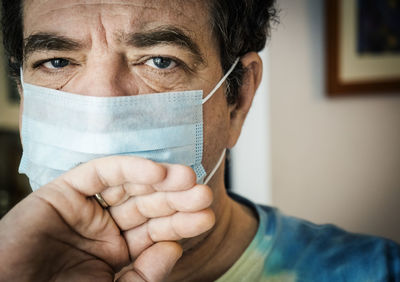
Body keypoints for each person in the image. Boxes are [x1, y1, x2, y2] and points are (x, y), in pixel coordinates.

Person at [0, 0, 399, 281]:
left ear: (237, 101)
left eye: (160, 60)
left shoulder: (377, 272)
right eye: (56, 62)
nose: (100, 106)